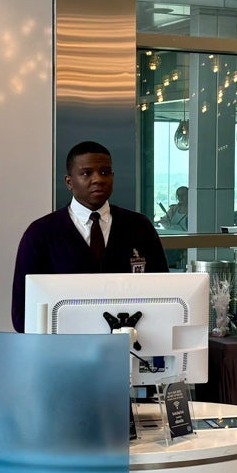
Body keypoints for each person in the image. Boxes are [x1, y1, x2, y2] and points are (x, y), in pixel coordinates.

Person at [11, 141, 169, 331]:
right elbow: (22, 313)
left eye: (105, 172)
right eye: (87, 173)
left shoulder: (139, 227)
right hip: (65, 343)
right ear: (69, 182)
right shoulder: (41, 234)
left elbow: (165, 293)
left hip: (132, 342)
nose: (98, 179)